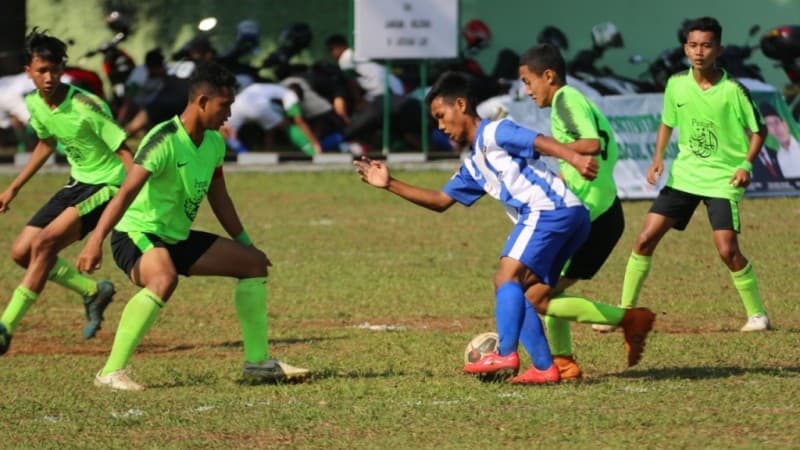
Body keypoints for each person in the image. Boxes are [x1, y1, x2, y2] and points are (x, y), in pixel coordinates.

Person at [354, 71, 653, 384]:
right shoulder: (473, 164)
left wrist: (574, 158)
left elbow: (539, 142)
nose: (441, 127)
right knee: (527, 295)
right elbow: (441, 200)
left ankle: (506, 351)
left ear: (461, 104)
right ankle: (545, 366)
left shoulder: (496, 131)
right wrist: (390, 184)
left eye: (442, 116)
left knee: (505, 278)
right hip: (565, 215)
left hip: (550, 211)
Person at [76, 61, 309, 391]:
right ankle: (111, 371)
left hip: (176, 237)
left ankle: (258, 363)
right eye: (224, 106)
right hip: (137, 233)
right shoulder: (163, 139)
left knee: (253, 265)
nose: (228, 114)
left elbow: (220, 198)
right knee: (164, 278)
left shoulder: (214, 143)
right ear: (201, 102)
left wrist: (246, 243)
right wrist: (95, 240)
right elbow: (126, 192)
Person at [618, 17, 771, 332]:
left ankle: (757, 315)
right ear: (685, 48)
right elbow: (667, 122)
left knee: (727, 250)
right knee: (644, 239)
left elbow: (760, 130)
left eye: (706, 45)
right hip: (684, 177)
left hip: (722, 180)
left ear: (718, 49)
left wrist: (745, 164)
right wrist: (658, 157)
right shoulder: (676, 84)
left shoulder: (732, 90)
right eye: (692, 45)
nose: (699, 52)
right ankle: (624, 312)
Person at [518, 43, 655, 379]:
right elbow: (597, 150)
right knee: (547, 290)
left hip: (589, 215)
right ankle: (563, 362)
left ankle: (628, 319)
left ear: (548, 76)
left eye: (527, 80)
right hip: (601, 211)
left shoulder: (566, 99)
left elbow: (591, 143)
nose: (526, 90)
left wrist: (545, 146)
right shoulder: (576, 102)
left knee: (534, 292)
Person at [0, 28, 133, 355]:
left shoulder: (87, 105)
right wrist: (13, 188)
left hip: (107, 184)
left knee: (45, 243)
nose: (48, 77)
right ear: (28, 72)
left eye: (55, 70)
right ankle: (92, 291)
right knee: (21, 252)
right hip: (77, 183)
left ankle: (5, 327)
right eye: (41, 70)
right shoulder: (34, 103)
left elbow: (127, 155)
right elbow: (47, 143)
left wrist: (135, 196)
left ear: (63, 69)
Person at [224, 82, 322, 155]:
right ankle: (311, 151)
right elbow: (299, 121)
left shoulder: (271, 90)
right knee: (286, 125)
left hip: (238, 104)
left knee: (226, 133)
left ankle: (244, 155)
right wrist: (315, 142)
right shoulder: (290, 94)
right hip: (259, 106)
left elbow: (270, 128)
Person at [760, 102, 800, 179]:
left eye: (776, 122)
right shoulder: (778, 156)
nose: (776, 128)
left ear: (785, 124)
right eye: (770, 124)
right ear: (769, 131)